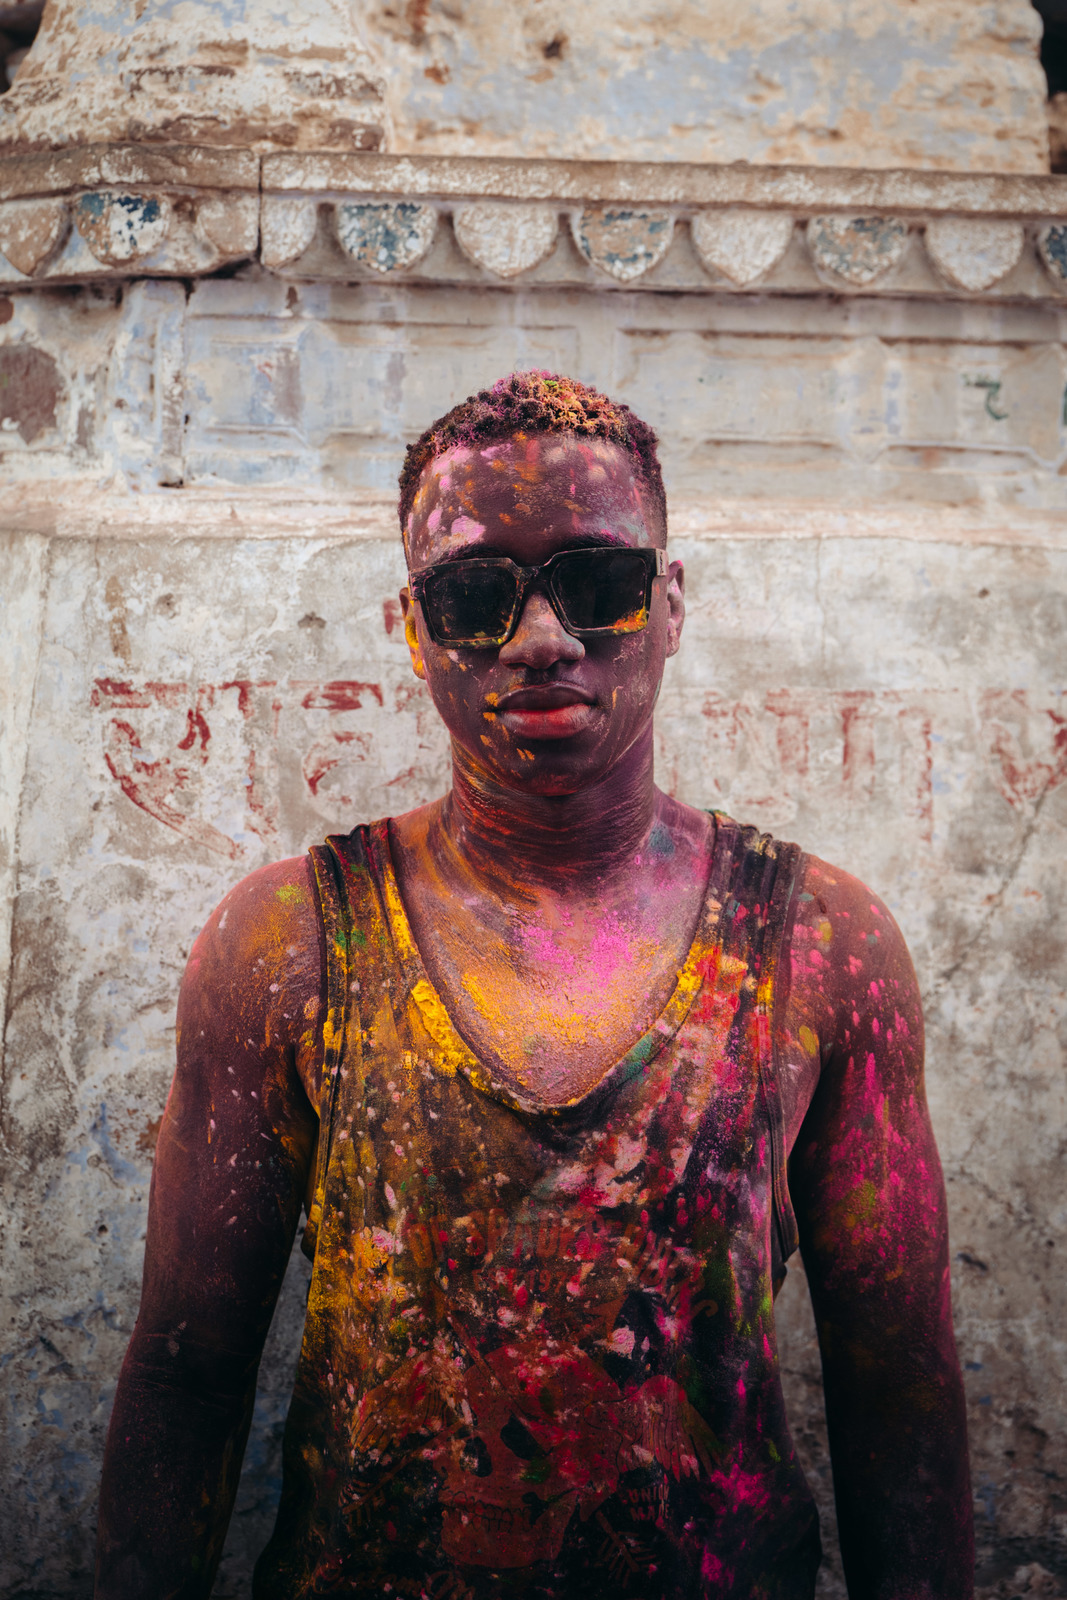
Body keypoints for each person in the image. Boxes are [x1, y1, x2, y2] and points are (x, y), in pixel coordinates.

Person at [95, 372, 974, 1600]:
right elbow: (188, 1370)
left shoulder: (818, 947)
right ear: (413, 628)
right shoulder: (288, 945)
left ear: (668, 604)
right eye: (475, 597)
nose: (541, 639)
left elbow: (898, 1385)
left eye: (596, 584)